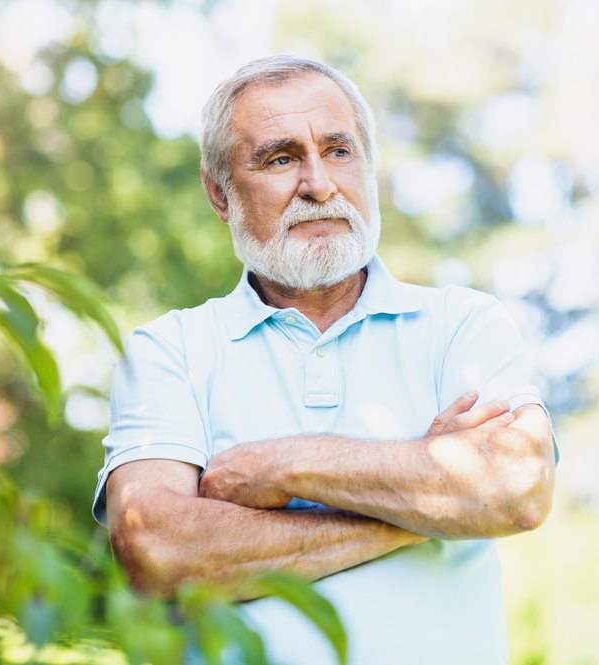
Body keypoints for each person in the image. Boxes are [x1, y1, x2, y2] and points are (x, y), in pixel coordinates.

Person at [93, 55, 557, 665]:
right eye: (281, 158)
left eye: (339, 151)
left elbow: (518, 487)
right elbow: (154, 548)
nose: (319, 184)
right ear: (219, 193)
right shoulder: (169, 350)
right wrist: (431, 499)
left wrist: (285, 467)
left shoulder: (462, 324)